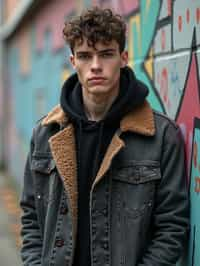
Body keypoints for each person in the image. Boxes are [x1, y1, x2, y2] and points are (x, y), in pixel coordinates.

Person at [20, 6, 189, 266]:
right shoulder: (45, 133)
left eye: (106, 54)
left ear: (124, 58)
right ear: (73, 62)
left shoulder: (160, 135)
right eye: (85, 56)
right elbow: (31, 217)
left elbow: (172, 227)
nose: (95, 66)